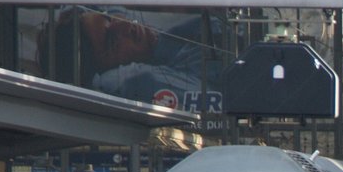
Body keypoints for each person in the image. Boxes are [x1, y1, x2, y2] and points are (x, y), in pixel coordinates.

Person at [37, 6, 225, 110]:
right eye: (112, 41)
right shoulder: (139, 81)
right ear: (109, 70)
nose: (125, 25)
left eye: (109, 18)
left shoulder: (169, 36)